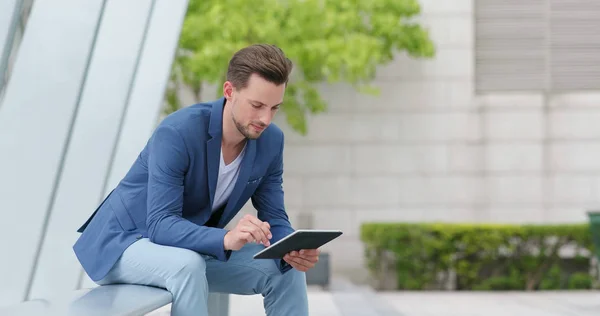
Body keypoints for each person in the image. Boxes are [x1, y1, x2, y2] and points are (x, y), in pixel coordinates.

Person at [73, 44, 319, 316]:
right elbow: (160, 224)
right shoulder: (178, 132)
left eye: (274, 108)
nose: (265, 118)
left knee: (286, 271)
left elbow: (276, 217)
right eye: (257, 105)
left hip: (187, 248)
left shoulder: (271, 141)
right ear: (229, 91)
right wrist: (227, 238)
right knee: (187, 265)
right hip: (121, 243)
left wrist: (292, 248)